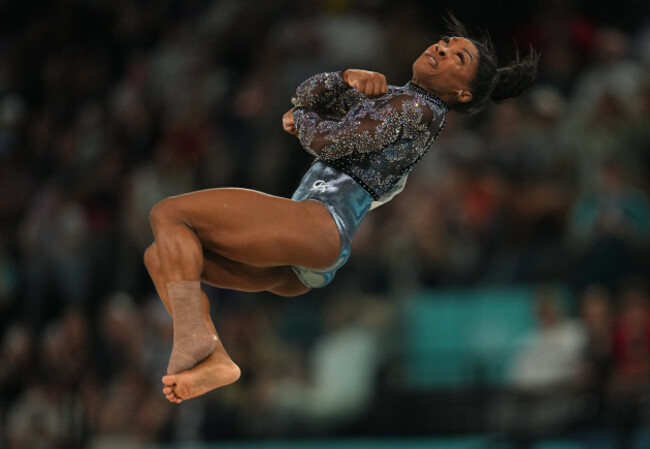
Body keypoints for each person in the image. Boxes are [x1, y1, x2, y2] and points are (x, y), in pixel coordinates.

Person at [143, 15, 539, 403]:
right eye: (446, 43)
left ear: (464, 94)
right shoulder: (395, 99)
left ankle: (194, 336)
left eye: (458, 57)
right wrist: (346, 76)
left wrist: (301, 119)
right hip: (310, 248)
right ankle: (213, 355)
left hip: (320, 224)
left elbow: (330, 141)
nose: (442, 47)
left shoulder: (419, 111)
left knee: (168, 214)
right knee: (162, 255)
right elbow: (306, 95)